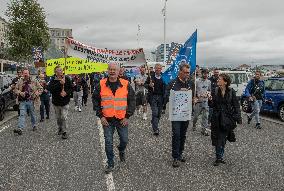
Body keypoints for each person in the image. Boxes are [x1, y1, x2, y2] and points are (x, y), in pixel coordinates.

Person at [92, 63, 135, 174]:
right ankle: (110, 163)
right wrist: (100, 116)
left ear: (118, 71)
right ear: (107, 70)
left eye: (114, 70)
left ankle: (121, 150)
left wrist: (127, 116)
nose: (112, 71)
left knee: (124, 140)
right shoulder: (101, 84)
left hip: (122, 119)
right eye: (110, 69)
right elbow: (95, 100)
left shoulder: (126, 84)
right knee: (108, 142)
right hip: (107, 120)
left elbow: (132, 100)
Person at [209, 73, 242, 166]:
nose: (218, 80)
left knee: (223, 139)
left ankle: (221, 155)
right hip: (216, 118)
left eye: (220, 79)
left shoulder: (231, 92)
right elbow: (211, 105)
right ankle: (218, 157)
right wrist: (210, 99)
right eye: (218, 79)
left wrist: (238, 118)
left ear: (225, 82)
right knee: (217, 137)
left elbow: (236, 105)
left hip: (227, 119)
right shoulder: (215, 90)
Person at [164, 63, 193, 167]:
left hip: (186, 113)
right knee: (176, 134)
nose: (187, 74)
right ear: (179, 72)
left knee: (183, 135)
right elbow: (166, 96)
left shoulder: (190, 83)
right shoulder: (172, 83)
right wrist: (178, 93)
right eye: (185, 72)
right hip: (176, 114)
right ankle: (175, 157)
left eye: (188, 73)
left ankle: (180, 153)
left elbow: (192, 97)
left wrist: (195, 99)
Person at [13, 69, 42, 135]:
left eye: (27, 73)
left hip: (32, 101)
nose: (25, 74)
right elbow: (15, 90)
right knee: (22, 114)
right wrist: (20, 93)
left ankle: (34, 125)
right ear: (23, 74)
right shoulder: (20, 81)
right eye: (24, 73)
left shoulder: (34, 80)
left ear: (29, 74)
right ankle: (20, 128)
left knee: (32, 114)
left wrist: (37, 93)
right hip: (22, 101)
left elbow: (40, 88)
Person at [48, 65, 72, 139]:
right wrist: (59, 83)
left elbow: (71, 88)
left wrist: (66, 92)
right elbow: (50, 89)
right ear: (55, 72)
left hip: (65, 102)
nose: (61, 71)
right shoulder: (52, 79)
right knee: (58, 118)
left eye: (61, 70)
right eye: (59, 70)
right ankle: (60, 128)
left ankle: (65, 132)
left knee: (64, 117)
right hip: (56, 102)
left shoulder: (67, 78)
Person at [145, 63, 166, 136]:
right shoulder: (151, 76)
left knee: (159, 114)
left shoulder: (164, 76)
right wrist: (149, 85)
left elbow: (167, 85)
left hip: (161, 97)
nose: (158, 70)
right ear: (154, 69)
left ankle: (154, 121)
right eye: (156, 68)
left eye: (159, 68)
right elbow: (145, 84)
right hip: (153, 97)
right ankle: (155, 129)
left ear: (161, 69)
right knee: (155, 112)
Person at [192, 68, 211, 136]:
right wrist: (196, 96)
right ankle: (194, 124)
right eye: (204, 73)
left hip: (205, 101)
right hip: (198, 102)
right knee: (196, 116)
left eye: (207, 73)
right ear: (202, 73)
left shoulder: (209, 82)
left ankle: (204, 130)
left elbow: (209, 90)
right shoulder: (196, 81)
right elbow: (193, 91)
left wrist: (208, 94)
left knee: (205, 116)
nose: (206, 75)